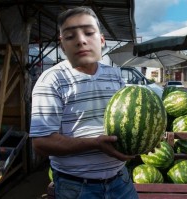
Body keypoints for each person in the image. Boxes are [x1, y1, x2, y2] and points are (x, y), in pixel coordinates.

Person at [29, 6, 138, 199]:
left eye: (88, 33)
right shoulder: (52, 80)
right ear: (62, 45)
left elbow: (127, 123)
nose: (81, 41)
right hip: (78, 188)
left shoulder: (115, 76)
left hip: (121, 182)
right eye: (71, 36)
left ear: (101, 40)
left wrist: (143, 141)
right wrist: (95, 144)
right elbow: (41, 143)